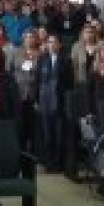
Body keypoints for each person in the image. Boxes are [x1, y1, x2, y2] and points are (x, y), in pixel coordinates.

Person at [36, 34, 72, 172]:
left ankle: (58, 163)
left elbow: (70, 84)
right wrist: (36, 100)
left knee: (59, 135)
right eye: (49, 42)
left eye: (54, 42)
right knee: (47, 134)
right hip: (45, 101)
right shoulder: (42, 59)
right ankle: (48, 163)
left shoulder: (65, 60)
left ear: (59, 45)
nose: (51, 44)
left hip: (60, 102)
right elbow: (37, 80)